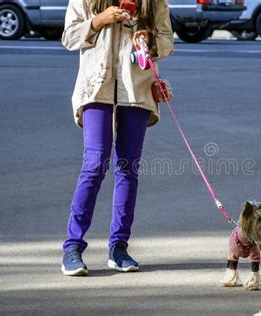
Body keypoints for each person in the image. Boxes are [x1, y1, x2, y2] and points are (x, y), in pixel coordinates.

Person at [60, 0, 173, 276]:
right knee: (95, 163)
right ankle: (72, 248)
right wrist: (98, 21)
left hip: (136, 90)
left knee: (128, 168)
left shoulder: (154, 2)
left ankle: (118, 247)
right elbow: (69, 36)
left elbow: (167, 40)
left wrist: (149, 40)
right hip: (96, 87)